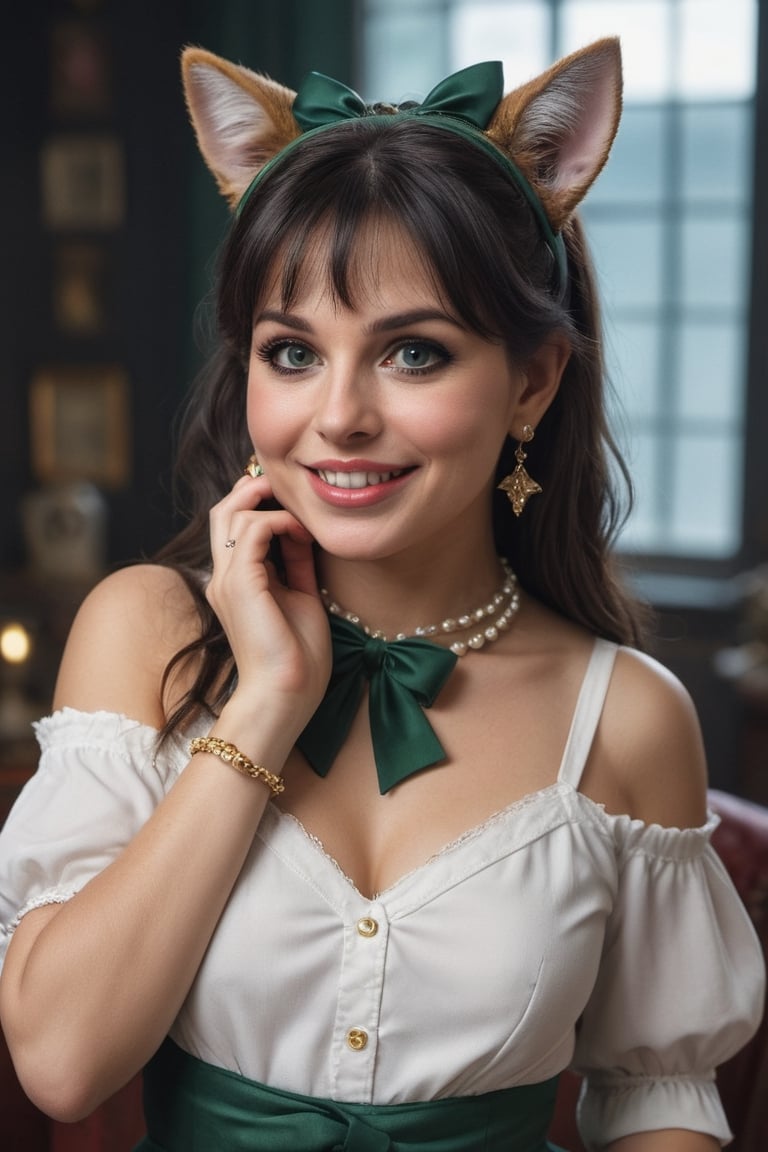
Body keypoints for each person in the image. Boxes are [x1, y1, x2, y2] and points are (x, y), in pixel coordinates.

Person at [0, 36, 763, 1152]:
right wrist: (264, 703)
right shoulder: (148, 635)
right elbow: (64, 1063)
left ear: (531, 385)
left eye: (414, 354)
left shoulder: (630, 718)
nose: (341, 416)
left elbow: (655, 1099)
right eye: (293, 352)